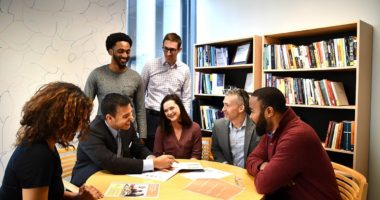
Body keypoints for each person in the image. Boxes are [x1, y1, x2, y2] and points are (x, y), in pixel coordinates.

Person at [0, 82, 103, 200]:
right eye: (77, 120)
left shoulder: (47, 145)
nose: (80, 126)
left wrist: (78, 197)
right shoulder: (37, 154)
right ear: (56, 117)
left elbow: (51, 193)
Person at [246, 87, 341, 200]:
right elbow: (251, 159)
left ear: (269, 112)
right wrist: (263, 166)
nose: (250, 117)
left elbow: (263, 184)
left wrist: (271, 175)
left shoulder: (296, 136)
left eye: (252, 111)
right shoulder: (272, 129)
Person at [71, 93, 176, 187]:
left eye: (131, 113)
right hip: (89, 180)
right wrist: (153, 163)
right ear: (109, 118)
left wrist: (151, 158)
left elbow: (138, 147)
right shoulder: (90, 132)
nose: (132, 118)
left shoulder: (127, 124)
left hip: (116, 177)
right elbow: (111, 162)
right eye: (126, 116)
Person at [84, 32, 147, 140]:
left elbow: (140, 109)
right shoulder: (96, 75)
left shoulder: (136, 77)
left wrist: (142, 136)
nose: (125, 55)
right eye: (120, 51)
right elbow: (84, 106)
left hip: (129, 132)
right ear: (110, 51)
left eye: (128, 51)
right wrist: (84, 131)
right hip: (103, 133)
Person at [141, 32, 191, 151]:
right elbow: (140, 93)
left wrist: (185, 120)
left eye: (172, 50)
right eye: (166, 49)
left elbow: (186, 98)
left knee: (173, 152)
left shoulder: (184, 69)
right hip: (153, 117)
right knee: (152, 153)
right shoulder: (150, 65)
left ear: (179, 50)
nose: (168, 53)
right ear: (162, 47)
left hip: (173, 118)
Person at [211, 88, 260, 168]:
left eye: (227, 105)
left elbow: (260, 155)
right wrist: (225, 165)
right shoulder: (218, 126)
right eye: (224, 105)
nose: (223, 109)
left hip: (249, 174)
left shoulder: (257, 127)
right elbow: (216, 149)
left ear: (241, 108)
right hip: (227, 173)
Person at [153, 94, 202, 159]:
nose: (169, 112)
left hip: (190, 166)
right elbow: (157, 155)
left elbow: (196, 155)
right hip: (168, 167)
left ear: (180, 106)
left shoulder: (195, 128)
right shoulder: (161, 129)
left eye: (172, 108)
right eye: (166, 111)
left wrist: (188, 168)